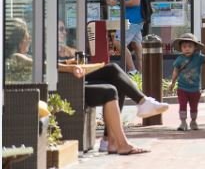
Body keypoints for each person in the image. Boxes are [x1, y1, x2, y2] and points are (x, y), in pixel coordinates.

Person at [4, 18, 166, 154]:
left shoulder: (21, 57)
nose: (29, 39)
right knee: (111, 88)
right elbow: (46, 66)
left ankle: (116, 135)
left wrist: (69, 62)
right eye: (27, 36)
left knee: (113, 73)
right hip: (57, 92)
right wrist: (70, 67)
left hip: (60, 87)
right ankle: (119, 139)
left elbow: (49, 65)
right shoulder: (17, 58)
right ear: (19, 40)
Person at [105, 0, 144, 74]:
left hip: (131, 19)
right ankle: (143, 75)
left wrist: (115, 2)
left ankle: (133, 71)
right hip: (137, 18)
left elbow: (136, 1)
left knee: (118, 42)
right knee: (137, 45)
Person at [170, 33, 205, 131]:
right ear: (181, 48)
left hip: (195, 89)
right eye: (184, 47)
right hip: (182, 88)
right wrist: (172, 83)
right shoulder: (179, 59)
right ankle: (183, 122)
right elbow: (175, 71)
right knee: (182, 105)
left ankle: (193, 121)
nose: (187, 49)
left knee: (194, 106)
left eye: (190, 46)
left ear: (195, 48)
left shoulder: (198, 57)